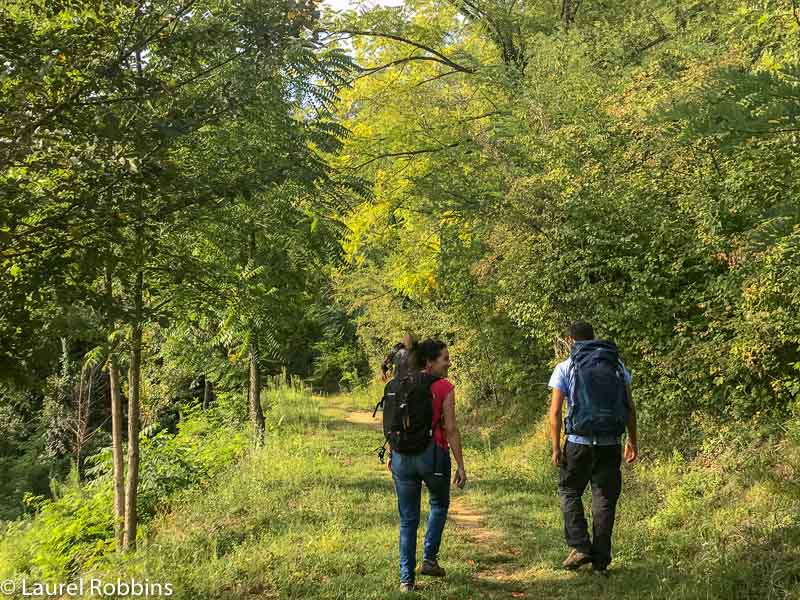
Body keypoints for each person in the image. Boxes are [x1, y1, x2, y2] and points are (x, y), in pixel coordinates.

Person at [548, 321, 638, 575]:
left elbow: (555, 413)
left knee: (569, 490)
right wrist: (632, 441)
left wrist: (556, 447)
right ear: (593, 338)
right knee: (605, 500)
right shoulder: (616, 366)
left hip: (578, 443)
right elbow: (630, 407)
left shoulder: (566, 367)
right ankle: (601, 564)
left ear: (570, 341)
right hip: (610, 443)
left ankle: (580, 546)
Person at [387, 339, 467, 593]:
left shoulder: (399, 384)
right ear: (430, 362)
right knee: (439, 504)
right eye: (444, 358)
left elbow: (395, 423)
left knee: (408, 520)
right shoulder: (443, 387)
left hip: (402, 457)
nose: (448, 363)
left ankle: (406, 581)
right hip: (433, 456)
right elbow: (451, 428)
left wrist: (393, 453)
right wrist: (461, 464)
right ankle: (429, 558)